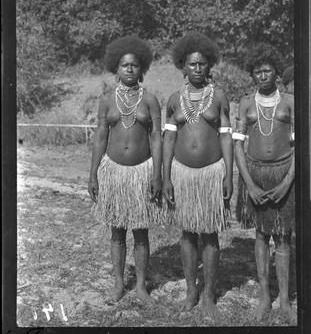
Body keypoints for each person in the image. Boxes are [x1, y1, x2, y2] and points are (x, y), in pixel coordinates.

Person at [162, 32, 233, 314]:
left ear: (209, 65)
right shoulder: (173, 100)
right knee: (188, 234)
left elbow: (226, 137)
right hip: (183, 174)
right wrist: (166, 176)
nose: (197, 68)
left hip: (211, 173)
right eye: (192, 64)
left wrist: (229, 175)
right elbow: (168, 139)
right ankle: (191, 292)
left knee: (210, 234)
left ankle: (209, 296)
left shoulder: (219, 97)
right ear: (183, 67)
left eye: (202, 64)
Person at [88, 35, 162, 303]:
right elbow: (100, 137)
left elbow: (156, 137)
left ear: (142, 69)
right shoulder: (107, 101)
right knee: (117, 230)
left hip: (142, 171)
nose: (129, 69)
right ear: (115, 69)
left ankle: (141, 286)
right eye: (124, 65)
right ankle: (119, 284)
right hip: (113, 172)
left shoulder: (151, 100)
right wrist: (93, 173)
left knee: (141, 231)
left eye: (134, 65)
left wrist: (157, 173)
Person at [234, 43, 295, 322]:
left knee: (283, 237)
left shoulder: (291, 101)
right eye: (257, 71)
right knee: (260, 235)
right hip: (255, 174)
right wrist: (250, 184)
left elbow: (302, 145)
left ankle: (284, 300)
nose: (263, 75)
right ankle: (264, 298)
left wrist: (287, 182)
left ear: (277, 72)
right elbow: (237, 147)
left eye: (268, 70)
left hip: (285, 173)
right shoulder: (246, 103)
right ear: (252, 74)